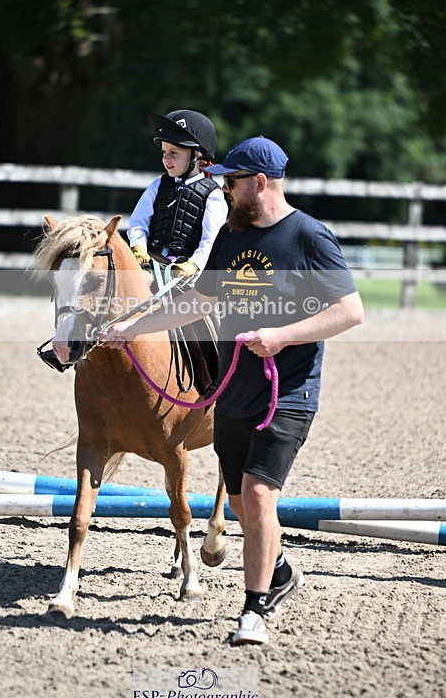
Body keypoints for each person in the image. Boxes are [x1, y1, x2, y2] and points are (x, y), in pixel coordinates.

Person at [100, 136, 364, 646]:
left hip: (286, 392)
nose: (223, 188)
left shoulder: (310, 236)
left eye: (232, 181)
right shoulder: (227, 237)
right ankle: (280, 568)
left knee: (261, 495)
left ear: (259, 184)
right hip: (234, 391)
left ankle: (254, 610)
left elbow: (351, 310)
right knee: (242, 505)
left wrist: (283, 335)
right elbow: (196, 303)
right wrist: (133, 328)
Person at [127, 109, 228, 276]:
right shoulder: (158, 185)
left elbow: (211, 240)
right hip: (151, 265)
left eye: (173, 153)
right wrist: (138, 247)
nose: (166, 159)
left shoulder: (213, 195)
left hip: (188, 274)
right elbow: (138, 221)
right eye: (164, 152)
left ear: (197, 155)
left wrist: (194, 264)